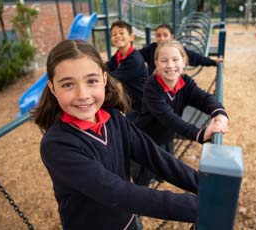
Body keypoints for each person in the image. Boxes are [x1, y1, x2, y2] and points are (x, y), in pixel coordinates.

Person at [32, 39, 199, 230]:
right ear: (53, 88)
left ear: (104, 79)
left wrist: (203, 184)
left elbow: (152, 154)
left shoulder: (112, 117)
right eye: (68, 85)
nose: (83, 94)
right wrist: (195, 207)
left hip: (129, 220)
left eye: (92, 81)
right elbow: (114, 191)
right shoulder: (56, 145)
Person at [133, 39, 228, 185]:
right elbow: (168, 117)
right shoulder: (151, 87)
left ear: (184, 61)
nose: (170, 65)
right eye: (164, 61)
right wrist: (199, 134)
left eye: (175, 59)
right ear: (157, 64)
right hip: (146, 139)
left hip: (166, 136)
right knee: (143, 177)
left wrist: (219, 113)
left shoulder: (185, 83)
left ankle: (155, 179)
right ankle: (139, 201)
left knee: (162, 171)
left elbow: (203, 98)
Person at [139, 23, 223, 75]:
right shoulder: (151, 49)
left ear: (171, 37)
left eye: (165, 35)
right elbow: (137, 55)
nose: (161, 38)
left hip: (172, 81)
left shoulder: (176, 49)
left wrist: (213, 62)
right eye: (158, 35)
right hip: (154, 84)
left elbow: (195, 57)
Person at [106, 21, 148, 121]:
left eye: (121, 33)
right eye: (114, 34)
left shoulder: (134, 59)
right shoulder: (118, 55)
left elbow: (114, 76)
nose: (117, 36)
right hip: (130, 98)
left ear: (131, 37)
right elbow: (107, 66)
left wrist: (97, 76)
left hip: (140, 103)